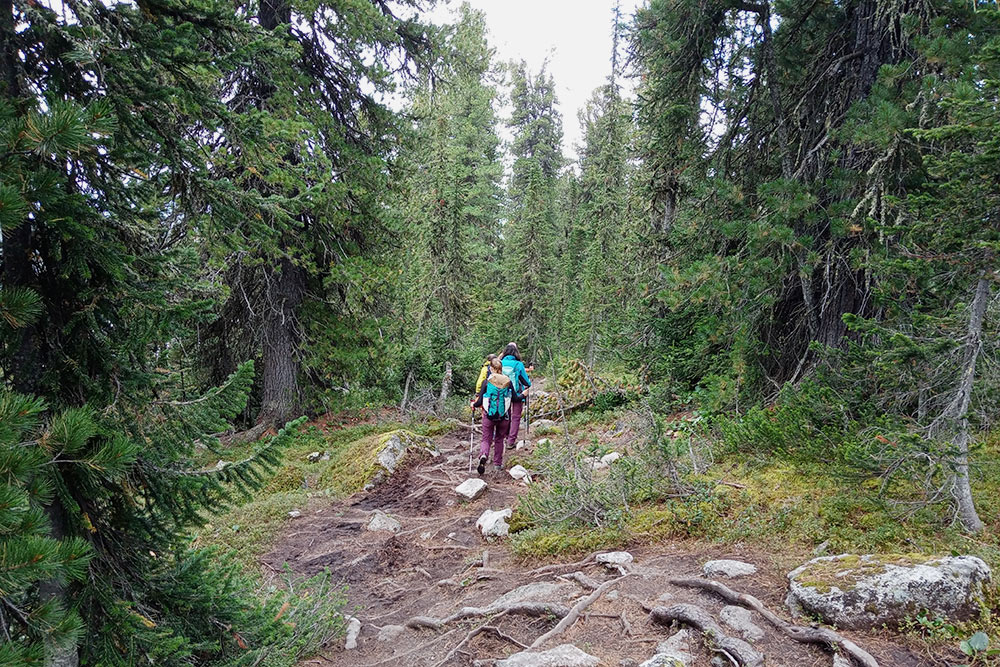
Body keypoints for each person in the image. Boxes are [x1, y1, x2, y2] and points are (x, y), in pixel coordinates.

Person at [471, 357, 511, 475]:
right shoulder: (507, 381)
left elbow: (479, 402)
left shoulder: (487, 382)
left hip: (488, 416)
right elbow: (514, 398)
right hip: (504, 417)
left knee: (486, 438)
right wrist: (523, 394)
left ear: (492, 369)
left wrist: (474, 404)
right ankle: (497, 464)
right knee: (499, 439)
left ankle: (484, 454)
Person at [500, 342, 531, 452]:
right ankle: (511, 441)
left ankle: (505, 436)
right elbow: (526, 381)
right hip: (517, 393)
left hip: (504, 393)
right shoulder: (518, 364)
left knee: (506, 415)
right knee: (516, 416)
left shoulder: (500, 363)